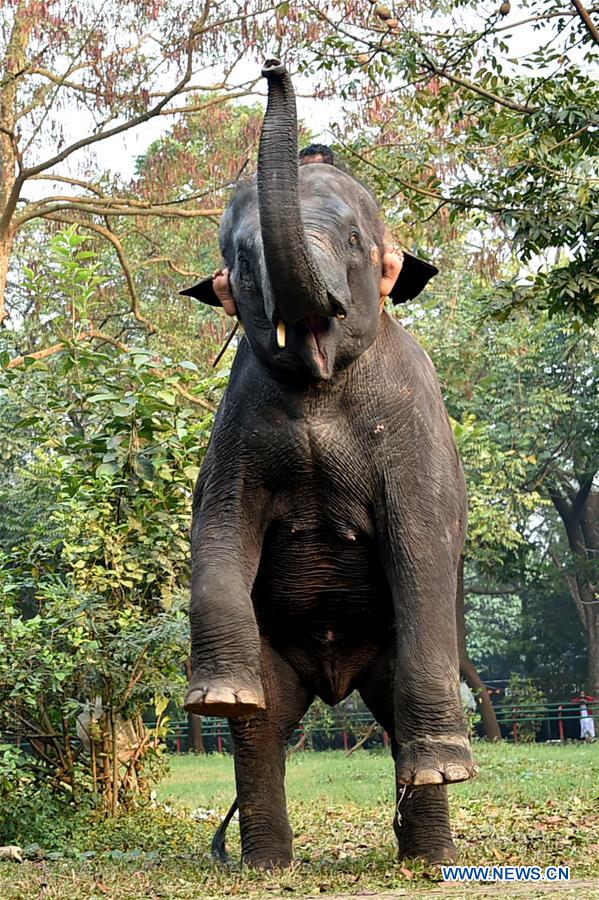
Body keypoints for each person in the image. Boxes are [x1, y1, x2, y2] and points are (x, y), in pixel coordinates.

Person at [212, 145, 404, 316]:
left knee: (375, 255)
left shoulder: (343, 196)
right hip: (285, 258)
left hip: (338, 257)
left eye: (317, 169)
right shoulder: (284, 201)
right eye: (304, 170)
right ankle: (231, 298)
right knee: (241, 267)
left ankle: (383, 288)